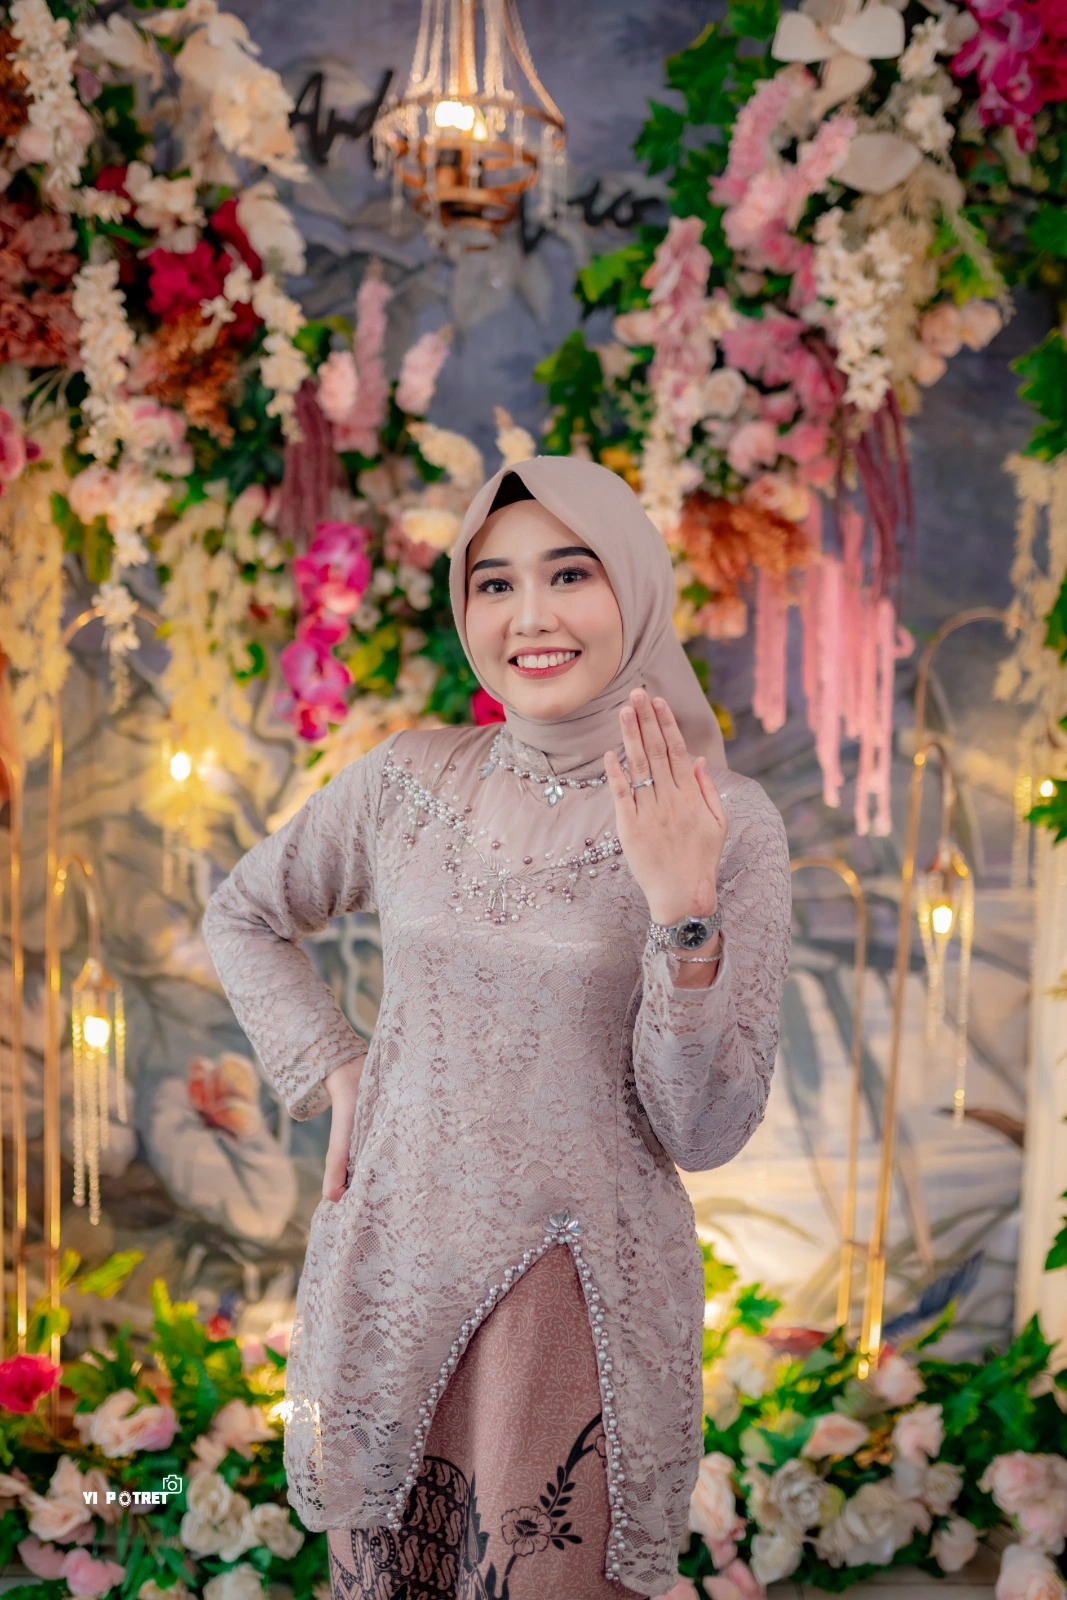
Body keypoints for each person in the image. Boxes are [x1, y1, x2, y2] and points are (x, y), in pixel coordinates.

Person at [201, 455, 792, 1600]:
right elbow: (244, 913)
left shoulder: (722, 820)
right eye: (493, 583)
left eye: (569, 574)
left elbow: (704, 1125)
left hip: (571, 1307)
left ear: (633, 587)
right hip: (390, 1274)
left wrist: (681, 908)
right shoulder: (406, 781)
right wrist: (336, 1068)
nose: (528, 617)